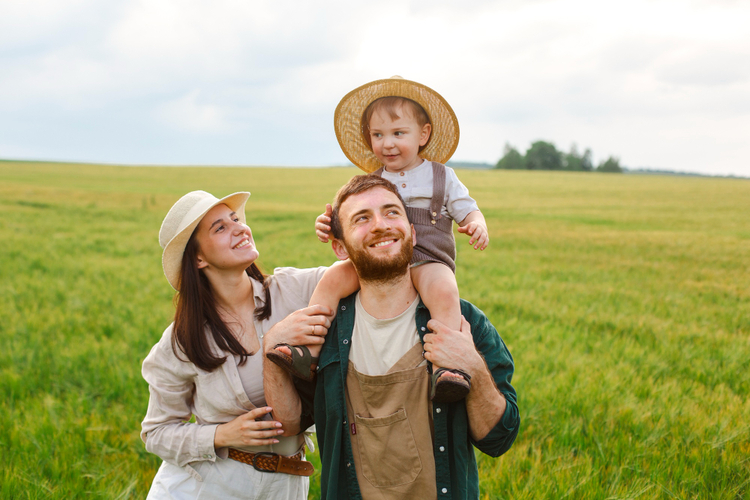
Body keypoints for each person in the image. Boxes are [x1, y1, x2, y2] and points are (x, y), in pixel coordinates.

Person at [271, 175, 520, 499]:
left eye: (391, 213)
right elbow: (290, 426)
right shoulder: (323, 332)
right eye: (362, 218)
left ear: (413, 233)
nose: (380, 225)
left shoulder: (463, 322)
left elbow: (499, 438)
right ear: (339, 246)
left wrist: (472, 366)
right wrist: (270, 349)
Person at [268, 76, 488, 403]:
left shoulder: (442, 175)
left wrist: (475, 224)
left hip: (428, 258)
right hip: (378, 259)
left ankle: (447, 366)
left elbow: (467, 209)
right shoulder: (373, 180)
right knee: (332, 278)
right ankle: (308, 350)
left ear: (423, 134)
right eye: (378, 135)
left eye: (399, 133)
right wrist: (327, 225)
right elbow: (346, 215)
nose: (387, 143)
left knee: (444, 291)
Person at [140, 190, 347, 499]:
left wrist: (345, 235)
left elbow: (370, 268)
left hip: (286, 485)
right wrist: (221, 434)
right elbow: (156, 433)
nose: (239, 228)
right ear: (197, 258)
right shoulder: (182, 341)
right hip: (207, 486)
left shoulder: (294, 290)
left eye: (235, 219)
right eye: (219, 228)